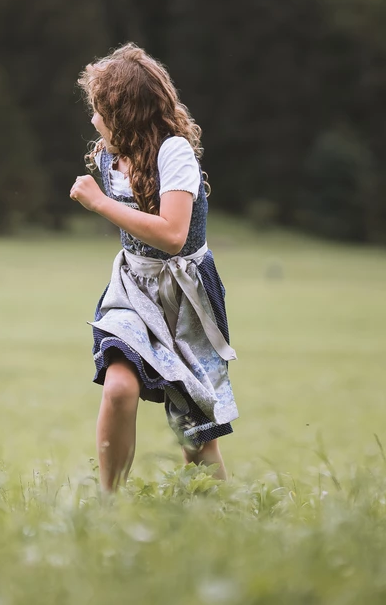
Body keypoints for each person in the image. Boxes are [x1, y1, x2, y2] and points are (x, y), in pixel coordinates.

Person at [70, 43, 239, 492]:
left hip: (186, 299)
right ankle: (107, 506)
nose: (93, 120)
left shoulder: (175, 153)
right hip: (132, 288)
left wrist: (101, 204)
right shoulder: (109, 156)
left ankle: (221, 515)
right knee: (119, 388)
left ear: (123, 113)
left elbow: (171, 234)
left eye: (100, 110)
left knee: (196, 436)